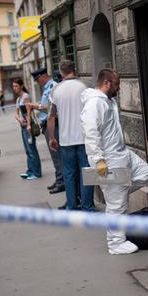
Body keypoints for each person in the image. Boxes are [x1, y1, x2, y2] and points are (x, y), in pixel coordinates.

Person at [81, 69, 148, 254]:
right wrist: (98, 160)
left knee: (146, 172)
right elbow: (90, 133)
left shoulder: (107, 101)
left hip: (121, 155)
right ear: (107, 83)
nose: (118, 88)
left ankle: (117, 196)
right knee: (116, 204)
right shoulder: (95, 104)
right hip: (109, 160)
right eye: (117, 84)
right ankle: (115, 243)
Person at [47, 60, 95, 212]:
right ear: (74, 69)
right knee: (87, 172)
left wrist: (52, 138)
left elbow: (51, 116)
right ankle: (88, 207)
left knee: (69, 174)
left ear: (61, 72)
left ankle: (72, 207)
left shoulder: (55, 90)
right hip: (84, 138)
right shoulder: (84, 87)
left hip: (66, 139)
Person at [29, 68, 64, 194]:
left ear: (43, 76)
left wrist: (36, 106)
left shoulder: (53, 87)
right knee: (54, 157)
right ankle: (59, 179)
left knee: (57, 156)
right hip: (47, 125)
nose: (37, 82)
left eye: (38, 79)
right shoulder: (47, 88)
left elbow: (51, 108)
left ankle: (61, 182)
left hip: (53, 125)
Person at [13, 77, 41, 180]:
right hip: (23, 126)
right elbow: (16, 113)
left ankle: (37, 172)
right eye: (13, 86)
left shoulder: (25, 97)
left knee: (32, 149)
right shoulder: (18, 99)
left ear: (21, 86)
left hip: (28, 126)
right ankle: (30, 171)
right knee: (27, 150)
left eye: (16, 86)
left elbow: (29, 112)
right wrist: (19, 120)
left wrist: (29, 125)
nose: (14, 88)